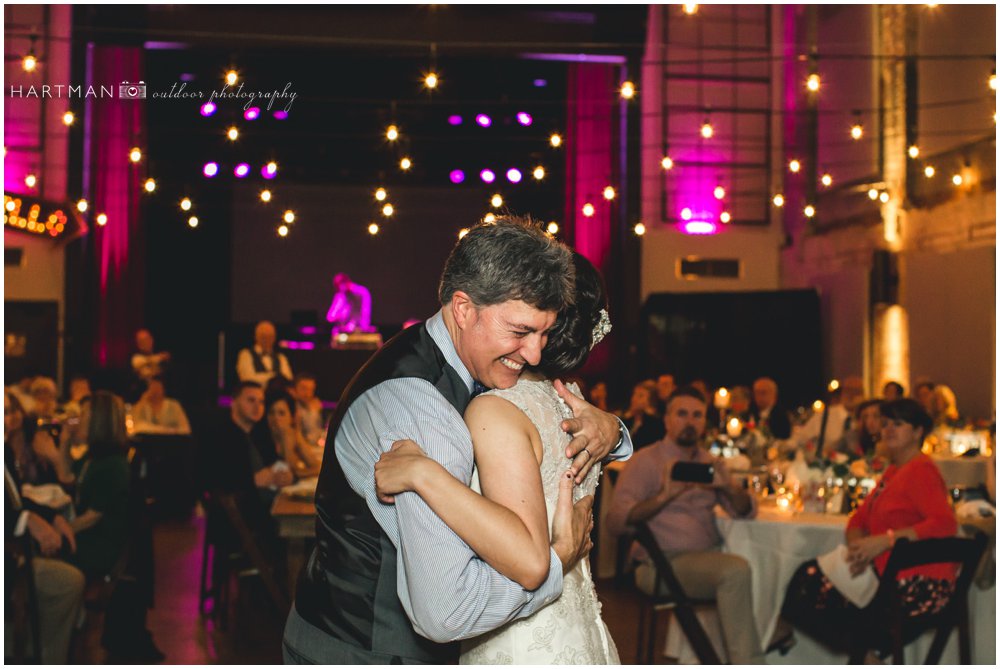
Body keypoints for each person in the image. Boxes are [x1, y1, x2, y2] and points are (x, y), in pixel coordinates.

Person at [283, 217, 632, 664]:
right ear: (464, 309)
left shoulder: (487, 370)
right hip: (363, 651)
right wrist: (558, 562)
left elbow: (547, 416)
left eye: (544, 333)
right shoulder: (422, 411)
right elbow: (446, 612)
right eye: (520, 331)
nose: (535, 354)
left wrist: (612, 430)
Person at [373, 252, 620, 663]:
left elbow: (526, 560)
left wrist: (422, 472)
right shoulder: (574, 403)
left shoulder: (496, 410)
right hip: (580, 634)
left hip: (521, 641)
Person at [781, 399, 959, 656]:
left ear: (918, 432)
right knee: (813, 583)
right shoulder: (894, 472)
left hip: (921, 585)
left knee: (811, 584)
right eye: (886, 423)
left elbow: (945, 523)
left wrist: (885, 541)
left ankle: (864, 657)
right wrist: (859, 550)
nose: (888, 429)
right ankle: (867, 657)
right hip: (891, 576)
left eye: (898, 424)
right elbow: (859, 520)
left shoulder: (921, 470)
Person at [606, 385, 764, 664]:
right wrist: (664, 496)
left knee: (762, 564)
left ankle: (774, 638)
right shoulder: (646, 460)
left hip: (706, 558)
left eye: (697, 415)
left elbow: (746, 511)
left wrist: (727, 486)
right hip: (659, 564)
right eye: (682, 414)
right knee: (736, 571)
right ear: (667, 419)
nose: (690, 422)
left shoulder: (709, 462)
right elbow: (616, 523)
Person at [5, 461, 84, 664]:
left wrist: (53, 516)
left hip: (13, 559)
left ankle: (46, 656)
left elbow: (15, 501)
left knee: (69, 580)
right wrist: (23, 520)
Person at [203, 381, 294, 542]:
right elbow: (208, 478)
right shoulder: (217, 434)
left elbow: (276, 465)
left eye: (261, 402)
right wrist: (253, 480)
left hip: (263, 511)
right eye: (251, 400)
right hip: (238, 522)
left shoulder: (258, 434)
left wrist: (287, 476)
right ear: (234, 402)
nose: (257, 406)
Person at [266, 392, 321, 478]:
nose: (276, 418)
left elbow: (317, 467)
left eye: (281, 413)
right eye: (271, 412)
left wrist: (296, 474)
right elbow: (284, 472)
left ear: (291, 417)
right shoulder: (261, 437)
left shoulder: (294, 435)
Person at [236, 320, 293, 389]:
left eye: (270, 336)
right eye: (263, 336)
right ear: (256, 336)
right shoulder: (245, 354)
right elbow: (247, 379)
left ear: (274, 338)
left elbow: (288, 379)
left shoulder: (281, 357)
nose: (267, 339)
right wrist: (275, 376)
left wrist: (261, 377)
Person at [622, 380, 666, 450]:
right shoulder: (628, 420)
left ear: (651, 401)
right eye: (634, 394)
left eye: (640, 396)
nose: (634, 399)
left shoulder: (656, 425)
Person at [289, 372, 326, 447]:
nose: (308, 394)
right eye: (304, 389)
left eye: (311, 389)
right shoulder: (290, 409)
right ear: (293, 389)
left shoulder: (315, 406)